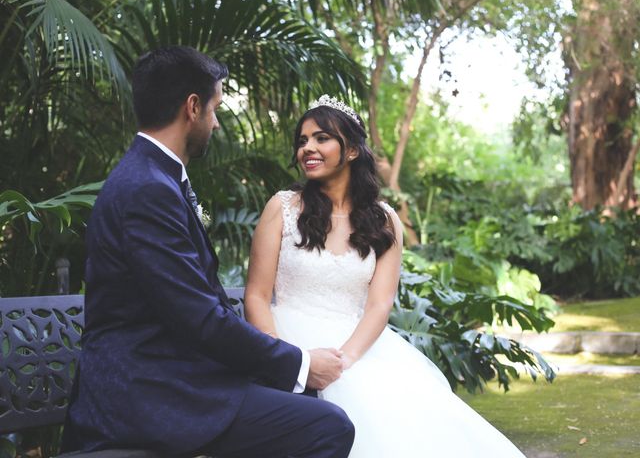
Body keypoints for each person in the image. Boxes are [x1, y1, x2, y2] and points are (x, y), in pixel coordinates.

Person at [61, 47, 355, 458]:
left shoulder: (156, 177)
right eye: (215, 108)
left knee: (307, 408)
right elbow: (199, 317)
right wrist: (300, 364)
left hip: (175, 377)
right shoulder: (147, 188)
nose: (216, 123)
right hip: (146, 393)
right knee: (328, 426)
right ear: (193, 107)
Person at [244, 95, 527, 457]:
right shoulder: (282, 207)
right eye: (302, 140)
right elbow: (255, 295)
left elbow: (379, 304)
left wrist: (342, 362)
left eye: (321, 138)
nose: (308, 148)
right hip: (287, 340)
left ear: (350, 151)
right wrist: (286, 359)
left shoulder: (383, 219)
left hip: (356, 347)